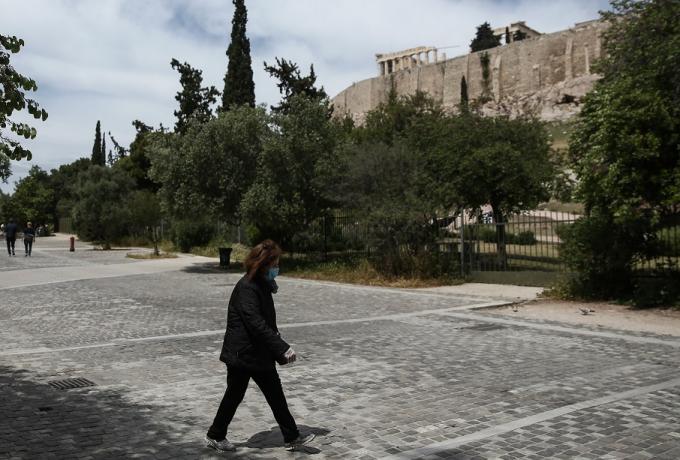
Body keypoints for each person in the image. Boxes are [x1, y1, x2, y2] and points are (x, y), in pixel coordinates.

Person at [205, 239, 315, 453]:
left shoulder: (261, 284)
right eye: (274, 265)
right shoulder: (247, 287)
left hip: (258, 353)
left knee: (275, 394)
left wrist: (277, 345)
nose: (277, 269)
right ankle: (215, 434)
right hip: (242, 354)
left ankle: (291, 437)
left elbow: (266, 323)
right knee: (235, 395)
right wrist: (282, 347)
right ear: (263, 265)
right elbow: (256, 323)